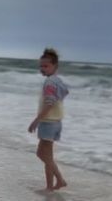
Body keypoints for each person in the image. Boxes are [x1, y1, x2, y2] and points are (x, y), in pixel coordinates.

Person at [28, 48, 69, 192]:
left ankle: (54, 184)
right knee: (43, 154)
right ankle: (57, 182)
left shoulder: (50, 83)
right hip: (56, 122)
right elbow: (64, 93)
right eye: (41, 66)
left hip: (48, 122)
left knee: (45, 155)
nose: (42, 68)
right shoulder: (58, 81)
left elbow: (49, 103)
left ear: (55, 66)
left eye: (46, 66)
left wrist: (37, 120)